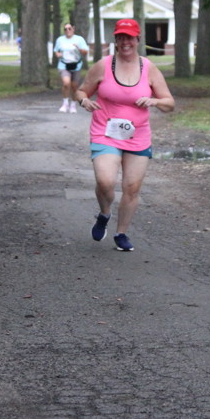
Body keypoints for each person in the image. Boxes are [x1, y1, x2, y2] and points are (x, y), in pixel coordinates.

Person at [75, 18, 175, 252]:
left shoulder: (149, 68)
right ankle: (104, 213)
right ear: (116, 40)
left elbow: (170, 103)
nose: (125, 42)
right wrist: (84, 101)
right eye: (120, 37)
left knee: (131, 187)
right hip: (105, 132)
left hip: (137, 136)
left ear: (137, 39)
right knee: (105, 181)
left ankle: (121, 233)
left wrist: (155, 100)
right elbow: (81, 91)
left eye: (129, 37)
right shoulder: (103, 65)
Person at [54, 23, 90, 113]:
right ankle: (65, 103)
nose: (67, 31)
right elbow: (56, 51)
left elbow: (85, 52)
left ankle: (73, 104)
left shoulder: (79, 39)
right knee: (66, 83)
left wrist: (79, 48)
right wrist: (58, 54)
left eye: (69, 28)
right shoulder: (60, 40)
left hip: (76, 65)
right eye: (65, 29)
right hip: (64, 65)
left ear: (73, 29)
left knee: (74, 86)